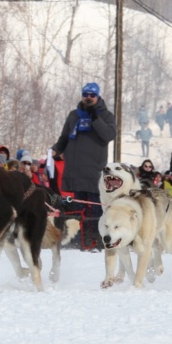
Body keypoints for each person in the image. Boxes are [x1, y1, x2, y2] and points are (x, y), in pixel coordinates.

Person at [53, 82, 117, 247]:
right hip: (75, 171)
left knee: (96, 210)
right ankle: (81, 241)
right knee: (77, 211)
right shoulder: (74, 115)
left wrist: (95, 118)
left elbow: (109, 135)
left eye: (92, 95)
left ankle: (97, 242)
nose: (88, 98)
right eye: (86, 94)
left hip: (94, 171)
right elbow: (64, 136)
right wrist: (56, 149)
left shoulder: (106, 115)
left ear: (98, 97)